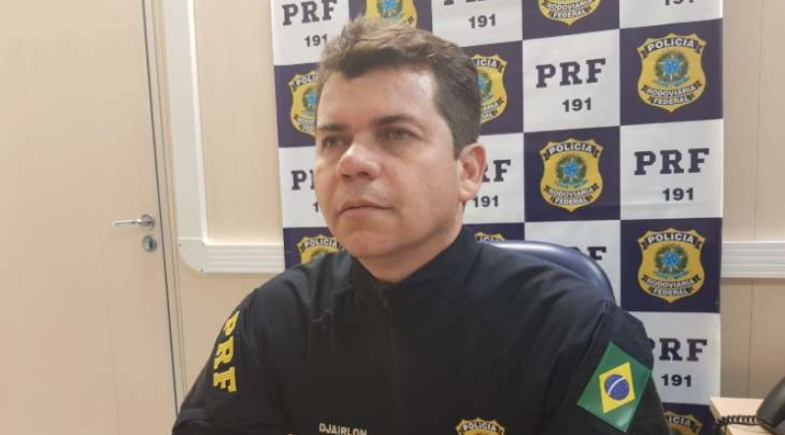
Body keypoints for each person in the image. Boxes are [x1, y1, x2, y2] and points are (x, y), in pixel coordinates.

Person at [172, 17, 669, 435]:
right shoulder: (272, 318)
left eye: (396, 133)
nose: (352, 162)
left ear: (467, 170)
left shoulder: (586, 336)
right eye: (332, 141)